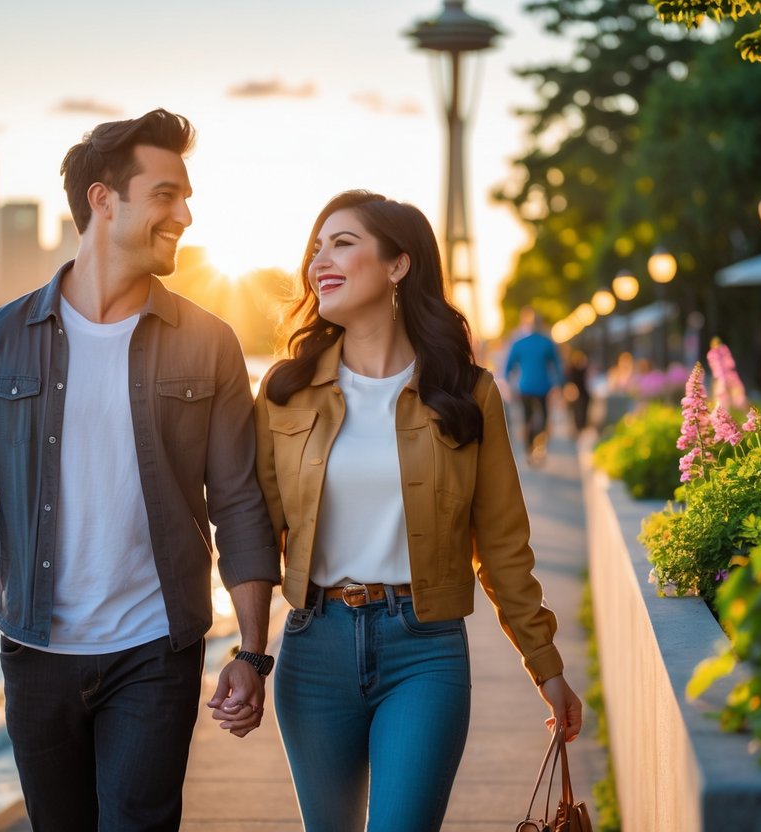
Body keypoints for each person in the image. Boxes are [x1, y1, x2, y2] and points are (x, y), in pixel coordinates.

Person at [0, 108, 280, 832]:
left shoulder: (208, 343)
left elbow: (239, 502)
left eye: (185, 196)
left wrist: (251, 652)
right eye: (165, 194)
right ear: (102, 200)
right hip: (34, 650)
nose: (184, 212)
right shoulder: (0, 337)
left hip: (155, 650)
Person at [251, 191, 583, 832]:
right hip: (312, 649)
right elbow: (255, 532)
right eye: (316, 246)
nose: (321, 258)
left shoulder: (467, 393)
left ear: (398, 265)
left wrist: (546, 666)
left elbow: (505, 545)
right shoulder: (286, 392)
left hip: (424, 651)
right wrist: (247, 655)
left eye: (342, 243)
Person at [504, 307, 562, 464]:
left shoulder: (519, 344)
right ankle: (536, 449)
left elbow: (508, 368)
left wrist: (509, 385)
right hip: (539, 387)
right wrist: (558, 385)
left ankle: (532, 450)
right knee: (540, 420)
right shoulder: (546, 343)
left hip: (529, 387)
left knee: (529, 420)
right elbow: (558, 366)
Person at [563, 348, 592, 435]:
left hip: (583, 395)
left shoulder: (582, 369)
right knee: (578, 413)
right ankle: (579, 428)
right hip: (577, 395)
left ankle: (581, 428)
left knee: (581, 412)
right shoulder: (572, 370)